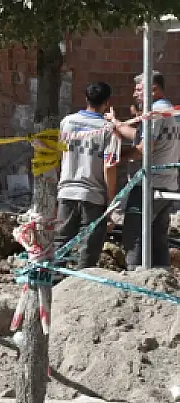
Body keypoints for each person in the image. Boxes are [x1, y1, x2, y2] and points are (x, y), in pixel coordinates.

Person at [110, 71, 178, 268]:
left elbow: (143, 148)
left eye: (139, 90)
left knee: (133, 234)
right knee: (158, 238)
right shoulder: (170, 110)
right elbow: (140, 136)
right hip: (168, 184)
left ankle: (134, 280)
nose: (134, 94)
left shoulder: (155, 113)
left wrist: (119, 158)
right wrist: (117, 124)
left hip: (149, 185)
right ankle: (160, 279)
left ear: (153, 89)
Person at [55, 82, 118, 269]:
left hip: (67, 191)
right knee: (88, 250)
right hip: (93, 196)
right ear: (107, 102)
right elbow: (109, 166)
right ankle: (81, 287)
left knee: (61, 243)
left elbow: (60, 154)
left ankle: (56, 287)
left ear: (86, 99)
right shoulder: (108, 129)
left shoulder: (67, 122)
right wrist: (112, 199)